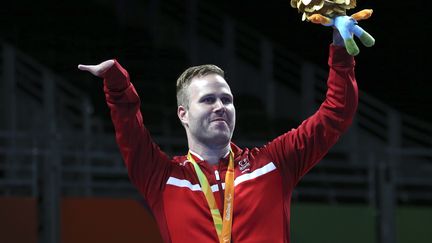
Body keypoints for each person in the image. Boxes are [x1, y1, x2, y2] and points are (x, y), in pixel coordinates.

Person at [78, 29, 358, 242]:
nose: (220, 107)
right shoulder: (162, 178)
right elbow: (129, 128)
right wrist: (117, 83)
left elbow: (336, 113)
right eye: (208, 100)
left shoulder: (273, 164)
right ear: (183, 114)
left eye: (227, 99)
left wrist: (340, 48)